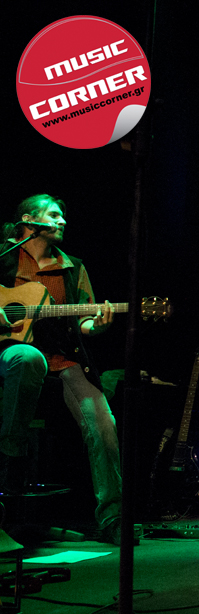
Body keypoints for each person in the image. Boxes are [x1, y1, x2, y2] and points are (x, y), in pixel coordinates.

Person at [0, 194, 122, 545]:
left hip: (62, 359)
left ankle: (113, 518)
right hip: (10, 351)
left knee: (103, 424)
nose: (62, 221)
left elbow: (83, 321)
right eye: (54, 215)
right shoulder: (4, 256)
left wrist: (97, 325)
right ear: (29, 220)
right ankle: (10, 462)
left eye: (63, 216)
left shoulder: (73, 268)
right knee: (27, 357)